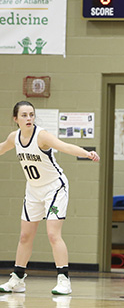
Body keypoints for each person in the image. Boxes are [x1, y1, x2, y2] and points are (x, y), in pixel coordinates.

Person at [0, 101, 100, 295]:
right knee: (25, 235)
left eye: (31, 114)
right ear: (16, 119)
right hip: (33, 191)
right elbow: (2, 148)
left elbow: (65, 147)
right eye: (24, 115)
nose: (29, 118)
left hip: (54, 188)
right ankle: (18, 278)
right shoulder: (15, 137)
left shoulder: (42, 136)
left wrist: (87, 153)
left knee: (53, 234)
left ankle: (64, 280)